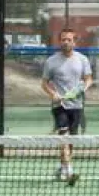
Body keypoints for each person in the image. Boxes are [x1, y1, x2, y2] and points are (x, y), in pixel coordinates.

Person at [41, 28, 92, 184]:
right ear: (60, 41)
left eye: (69, 39)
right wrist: (53, 94)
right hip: (59, 106)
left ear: (74, 42)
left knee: (71, 140)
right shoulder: (51, 61)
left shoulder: (82, 60)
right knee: (63, 136)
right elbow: (44, 84)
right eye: (63, 39)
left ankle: (63, 166)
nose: (66, 42)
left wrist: (82, 89)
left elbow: (89, 79)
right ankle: (69, 170)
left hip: (77, 106)